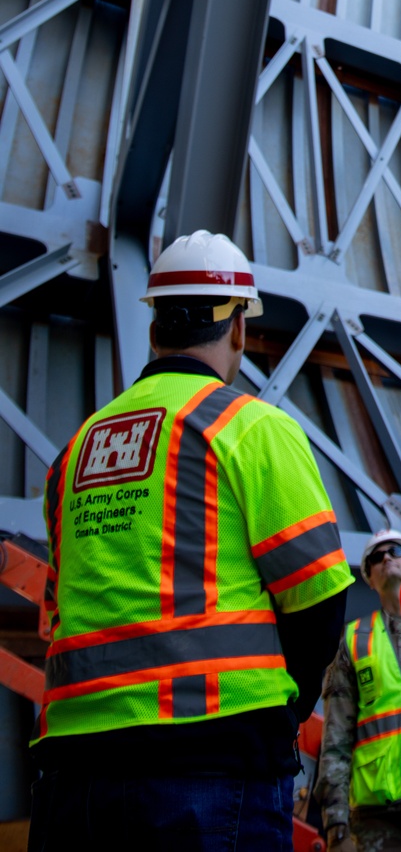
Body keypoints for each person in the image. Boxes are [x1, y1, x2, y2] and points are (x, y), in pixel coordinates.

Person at [29, 230, 353, 852]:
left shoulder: (74, 453)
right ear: (237, 328)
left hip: (72, 775)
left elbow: (58, 612)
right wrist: (285, 714)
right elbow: (318, 605)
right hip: (210, 767)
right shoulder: (251, 428)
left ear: (155, 326)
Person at [314, 527, 401, 852]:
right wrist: (336, 827)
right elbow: (335, 740)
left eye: (396, 550)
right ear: (369, 578)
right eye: (376, 557)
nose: (386, 558)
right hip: (378, 818)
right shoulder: (352, 641)